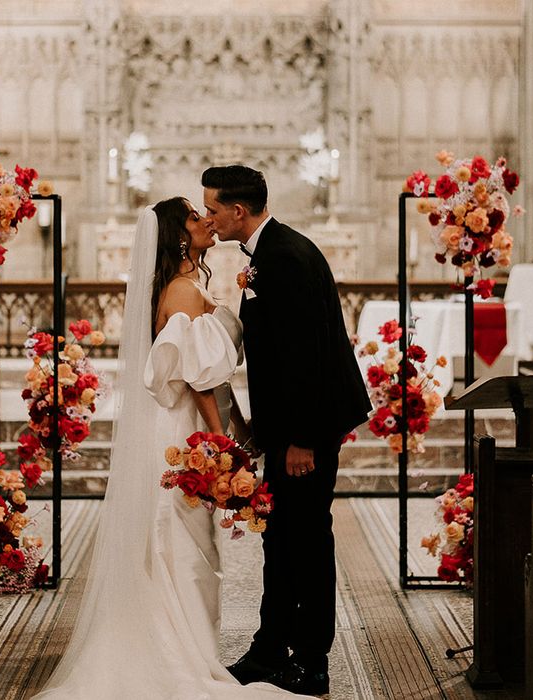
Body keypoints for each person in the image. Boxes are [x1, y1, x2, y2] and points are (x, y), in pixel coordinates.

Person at [34, 198, 313, 699]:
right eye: (193, 216)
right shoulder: (183, 291)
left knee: (187, 540)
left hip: (187, 428)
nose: (207, 220)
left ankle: (185, 644)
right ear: (177, 237)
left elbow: (210, 377)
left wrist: (242, 430)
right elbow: (199, 379)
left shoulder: (186, 286)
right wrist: (220, 444)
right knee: (179, 543)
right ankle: (177, 651)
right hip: (184, 432)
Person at [202, 165, 371, 698]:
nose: (208, 218)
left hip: (309, 429)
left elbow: (306, 357)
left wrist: (299, 438)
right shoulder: (271, 253)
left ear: (238, 210)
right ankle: (271, 647)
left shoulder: (286, 258)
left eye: (212, 209)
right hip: (290, 425)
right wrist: (258, 425)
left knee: (307, 542)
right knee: (282, 538)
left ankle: (312, 659)